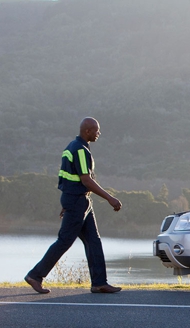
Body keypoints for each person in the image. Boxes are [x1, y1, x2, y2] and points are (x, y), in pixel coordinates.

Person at [24, 117, 123, 294]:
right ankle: (35, 275)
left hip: (79, 201)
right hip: (77, 201)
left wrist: (67, 201)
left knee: (94, 241)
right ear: (87, 131)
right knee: (64, 241)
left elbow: (67, 178)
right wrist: (110, 198)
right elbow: (86, 180)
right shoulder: (80, 150)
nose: (98, 133)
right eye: (96, 130)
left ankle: (99, 282)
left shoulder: (71, 147)